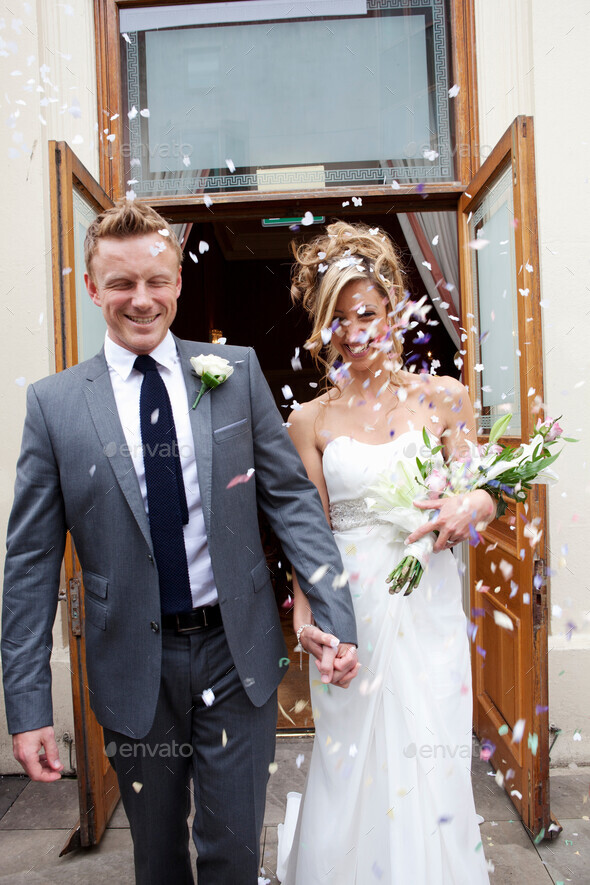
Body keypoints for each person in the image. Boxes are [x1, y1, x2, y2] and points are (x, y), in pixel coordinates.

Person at [1, 200, 359, 885]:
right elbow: (30, 562)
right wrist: (27, 706)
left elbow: (290, 501)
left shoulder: (233, 372)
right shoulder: (55, 407)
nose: (142, 299)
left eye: (156, 280)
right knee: (158, 856)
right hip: (135, 664)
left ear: (177, 281)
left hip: (236, 654)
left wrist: (336, 614)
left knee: (230, 849)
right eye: (121, 283)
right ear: (91, 287)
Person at [279, 221, 493, 884]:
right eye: (337, 318)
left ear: (395, 307)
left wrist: (468, 507)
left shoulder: (445, 398)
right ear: (322, 327)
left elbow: (485, 494)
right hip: (353, 611)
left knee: (430, 748)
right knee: (351, 760)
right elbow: (306, 533)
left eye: (367, 312)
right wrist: (307, 618)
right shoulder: (309, 419)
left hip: (425, 601)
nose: (355, 331)